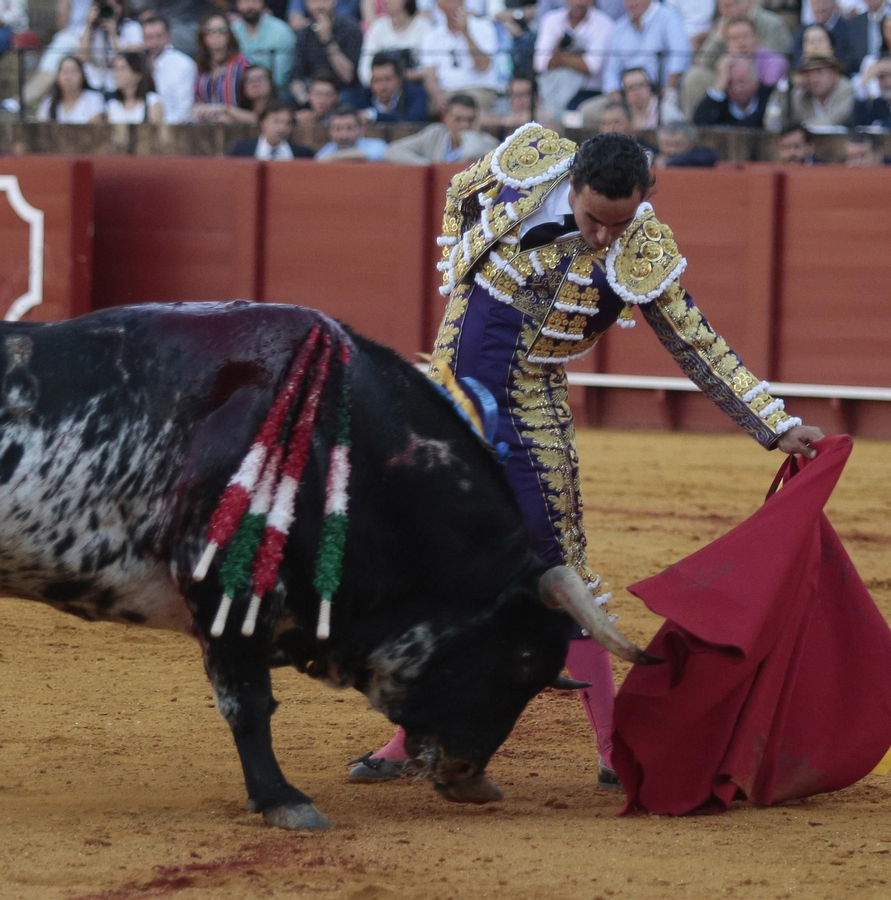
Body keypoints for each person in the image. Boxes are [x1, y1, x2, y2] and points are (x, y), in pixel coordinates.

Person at [347, 126, 824, 786]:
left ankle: (610, 745)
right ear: (570, 187)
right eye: (595, 219)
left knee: (558, 565)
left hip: (529, 404)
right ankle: (413, 738)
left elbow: (697, 343)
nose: (604, 237)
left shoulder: (642, 248)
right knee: (439, 562)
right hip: (448, 398)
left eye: (619, 223)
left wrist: (774, 424)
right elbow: (461, 189)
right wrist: (463, 269)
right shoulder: (529, 160)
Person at [533, 0, 614, 120]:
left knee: (576, 115)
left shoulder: (604, 23)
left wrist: (559, 56)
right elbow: (540, 63)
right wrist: (578, 58)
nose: (579, 3)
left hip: (589, 92)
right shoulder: (551, 19)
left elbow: (592, 66)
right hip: (553, 89)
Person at [419, 0, 500, 115]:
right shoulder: (431, 36)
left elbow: (483, 66)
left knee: (468, 108)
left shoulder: (484, 27)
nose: (454, 5)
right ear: (439, 6)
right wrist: (437, 96)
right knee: (432, 107)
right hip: (447, 92)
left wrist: (466, 32)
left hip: (478, 89)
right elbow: (430, 77)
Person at [385, 92, 497, 163]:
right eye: (458, 119)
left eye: (470, 120)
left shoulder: (488, 143)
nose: (465, 125)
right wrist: (428, 166)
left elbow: (471, 154)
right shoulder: (435, 134)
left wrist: (471, 136)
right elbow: (393, 151)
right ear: (446, 119)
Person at [290, 0, 360, 105]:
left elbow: (348, 76)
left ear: (333, 2)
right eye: (313, 2)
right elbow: (296, 78)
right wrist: (306, 101)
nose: (318, 6)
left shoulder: (350, 28)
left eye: (323, 1)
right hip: (313, 92)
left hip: (342, 91)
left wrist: (328, 40)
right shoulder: (304, 33)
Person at [357, 0, 430, 90]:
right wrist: (382, 81)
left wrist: (404, 76)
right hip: (381, 90)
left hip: (417, 86)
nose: (386, 1)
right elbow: (365, 66)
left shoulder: (424, 27)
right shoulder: (378, 27)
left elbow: (430, 67)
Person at [189, 12, 248, 123]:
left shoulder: (243, 63)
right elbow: (195, 100)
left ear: (229, 35)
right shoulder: (199, 66)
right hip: (206, 126)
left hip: (238, 122)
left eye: (222, 30)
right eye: (209, 31)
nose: (216, 35)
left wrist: (225, 111)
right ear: (203, 36)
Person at [691, 54, 773, 128]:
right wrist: (718, 88)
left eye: (741, 82)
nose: (736, 88)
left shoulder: (769, 96)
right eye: (730, 83)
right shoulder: (720, 101)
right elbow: (699, 123)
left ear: (755, 83)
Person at [231, 0, 295, 92]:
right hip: (238, 92)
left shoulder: (281, 31)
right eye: (244, 1)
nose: (250, 6)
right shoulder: (232, 30)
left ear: (264, 4)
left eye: (255, 1)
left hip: (274, 94)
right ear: (237, 4)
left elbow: (280, 78)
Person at [141, 14, 195, 124]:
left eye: (159, 36)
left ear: (169, 37)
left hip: (174, 130)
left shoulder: (184, 64)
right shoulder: (137, 64)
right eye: (149, 37)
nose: (154, 43)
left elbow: (185, 110)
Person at [227, 98, 313, 158]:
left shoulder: (303, 154)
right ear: (263, 122)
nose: (282, 128)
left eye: (287, 123)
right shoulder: (242, 150)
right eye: (276, 122)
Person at [787, 55, 855, 128]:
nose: (813, 79)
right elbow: (785, 122)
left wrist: (802, 129)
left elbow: (834, 120)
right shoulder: (802, 95)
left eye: (819, 72)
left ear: (834, 73)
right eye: (808, 74)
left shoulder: (845, 89)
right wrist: (794, 89)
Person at [96, 49, 163, 123]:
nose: (116, 75)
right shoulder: (112, 106)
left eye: (122, 69)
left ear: (138, 74)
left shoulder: (152, 103)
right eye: (115, 69)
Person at [357, 54, 427, 122]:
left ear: (400, 79)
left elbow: (411, 119)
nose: (382, 86)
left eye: (388, 79)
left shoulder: (416, 93)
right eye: (377, 80)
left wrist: (374, 116)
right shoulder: (364, 95)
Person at [36, 53, 105, 121]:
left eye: (73, 71)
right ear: (57, 76)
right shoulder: (47, 103)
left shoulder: (94, 99)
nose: (68, 77)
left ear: (82, 75)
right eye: (64, 72)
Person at [315, 103, 386, 160]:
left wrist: (332, 158)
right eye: (338, 129)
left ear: (361, 129)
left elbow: (373, 155)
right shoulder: (324, 152)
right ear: (330, 131)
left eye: (349, 128)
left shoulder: (377, 145)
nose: (343, 135)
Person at [653, 120, 717, 166]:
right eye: (667, 144)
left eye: (678, 145)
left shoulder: (702, 155)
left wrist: (668, 163)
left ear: (691, 144)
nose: (672, 150)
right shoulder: (653, 154)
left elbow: (711, 157)